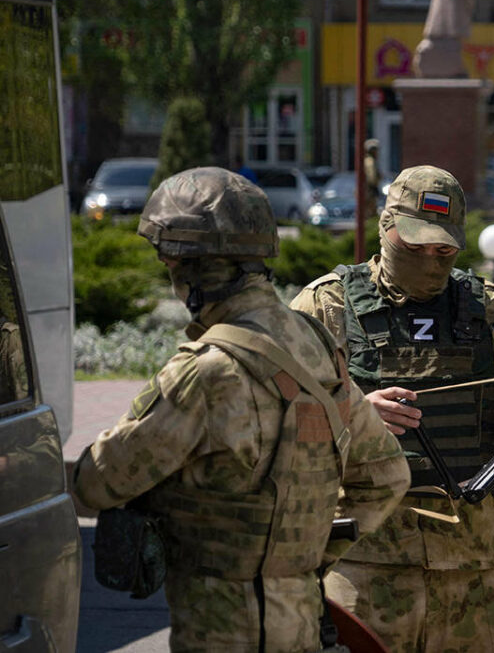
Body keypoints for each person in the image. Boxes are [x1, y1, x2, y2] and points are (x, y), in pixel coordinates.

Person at [71, 167, 412, 652]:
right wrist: (304, 556)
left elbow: (97, 482)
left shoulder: (206, 372)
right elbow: (386, 476)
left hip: (222, 627)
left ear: (184, 267)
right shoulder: (313, 343)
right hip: (302, 620)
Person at [290, 164, 494, 652]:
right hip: (362, 573)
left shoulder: (487, 309)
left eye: (443, 249)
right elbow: (267, 426)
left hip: (473, 578)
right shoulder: (325, 307)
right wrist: (352, 413)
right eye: (414, 246)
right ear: (385, 227)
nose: (429, 259)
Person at [362, 138, 382, 219]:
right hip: (369, 191)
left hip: (368, 190)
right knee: (370, 213)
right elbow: (372, 178)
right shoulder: (370, 161)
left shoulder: (368, 160)